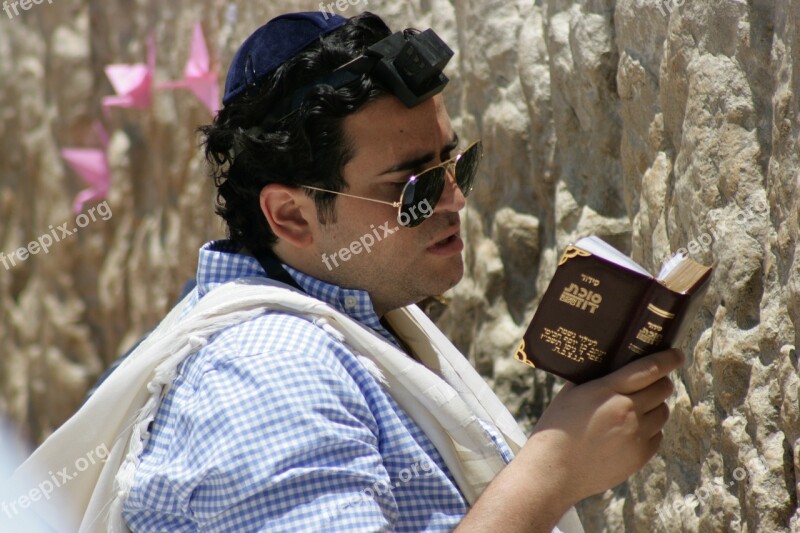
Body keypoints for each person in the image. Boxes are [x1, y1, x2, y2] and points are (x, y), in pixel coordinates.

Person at [13, 10, 681, 532]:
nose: (453, 200)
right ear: (294, 217)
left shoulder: (363, 325)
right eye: (414, 188)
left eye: (456, 166)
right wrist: (552, 470)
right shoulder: (269, 376)